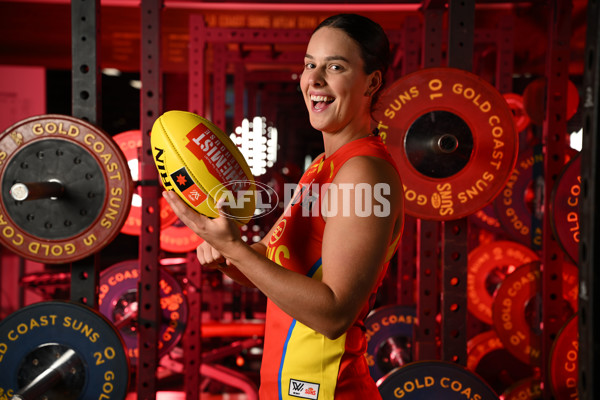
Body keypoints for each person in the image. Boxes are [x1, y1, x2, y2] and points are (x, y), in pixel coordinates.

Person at [163, 13, 404, 400]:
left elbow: (334, 314)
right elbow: (272, 264)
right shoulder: (323, 168)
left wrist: (236, 250)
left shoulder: (363, 173)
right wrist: (227, 254)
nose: (315, 80)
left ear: (372, 82)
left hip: (330, 390)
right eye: (310, 64)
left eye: (335, 66)